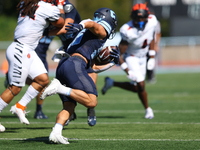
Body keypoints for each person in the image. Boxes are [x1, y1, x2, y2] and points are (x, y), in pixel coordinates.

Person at [40, 7, 119, 144]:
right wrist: (81, 25)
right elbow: (91, 23)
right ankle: (59, 88)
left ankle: (56, 133)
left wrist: (112, 63)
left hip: (65, 64)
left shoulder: (88, 38)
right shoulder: (100, 30)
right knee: (92, 101)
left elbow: (93, 68)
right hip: (74, 63)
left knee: (69, 107)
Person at [0, 0, 65, 126]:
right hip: (21, 49)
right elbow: (60, 23)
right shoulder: (46, 7)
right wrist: (61, 6)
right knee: (15, 88)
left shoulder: (26, 3)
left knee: (43, 80)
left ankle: (20, 106)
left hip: (26, 49)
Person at [101, 3, 157, 119]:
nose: (140, 20)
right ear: (133, 17)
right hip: (131, 57)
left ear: (147, 16)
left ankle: (112, 83)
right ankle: (148, 110)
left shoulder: (152, 22)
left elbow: (151, 37)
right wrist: (127, 70)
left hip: (143, 57)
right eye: (138, 18)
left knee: (137, 88)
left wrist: (151, 56)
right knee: (141, 83)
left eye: (143, 17)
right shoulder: (127, 30)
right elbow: (119, 54)